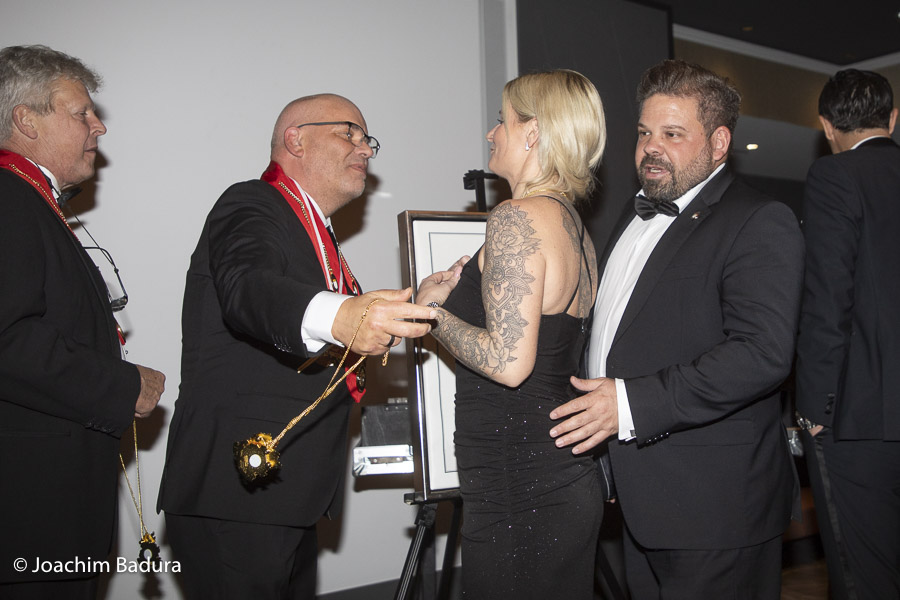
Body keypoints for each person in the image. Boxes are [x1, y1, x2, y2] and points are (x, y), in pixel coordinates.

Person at [157, 93, 437, 599]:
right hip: (237, 494)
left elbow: (335, 330)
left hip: (286, 493)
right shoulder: (252, 202)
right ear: (296, 140)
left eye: (367, 139)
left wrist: (419, 304)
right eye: (349, 133)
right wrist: (344, 316)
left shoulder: (314, 232)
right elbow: (248, 288)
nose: (365, 149)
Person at [548, 59, 804, 599]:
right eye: (644, 133)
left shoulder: (759, 220)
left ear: (718, 143)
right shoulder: (631, 214)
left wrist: (628, 405)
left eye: (672, 134)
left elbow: (762, 354)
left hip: (717, 507)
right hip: (639, 496)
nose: (650, 148)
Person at [416, 69, 606, 599]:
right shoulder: (575, 229)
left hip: (519, 485)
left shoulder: (515, 218)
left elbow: (508, 362)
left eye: (502, 120)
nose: (491, 132)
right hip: (554, 476)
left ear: (533, 132)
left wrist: (431, 314)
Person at [0, 45, 166, 598]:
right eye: (81, 113)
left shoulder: (29, 200)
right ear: (26, 120)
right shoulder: (8, 199)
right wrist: (122, 385)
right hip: (30, 511)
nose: (99, 126)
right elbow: (7, 340)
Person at [795, 69, 900, 599]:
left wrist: (814, 408)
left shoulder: (835, 175)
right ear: (893, 119)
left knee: (866, 576)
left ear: (826, 126)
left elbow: (827, 298)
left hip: (861, 418)